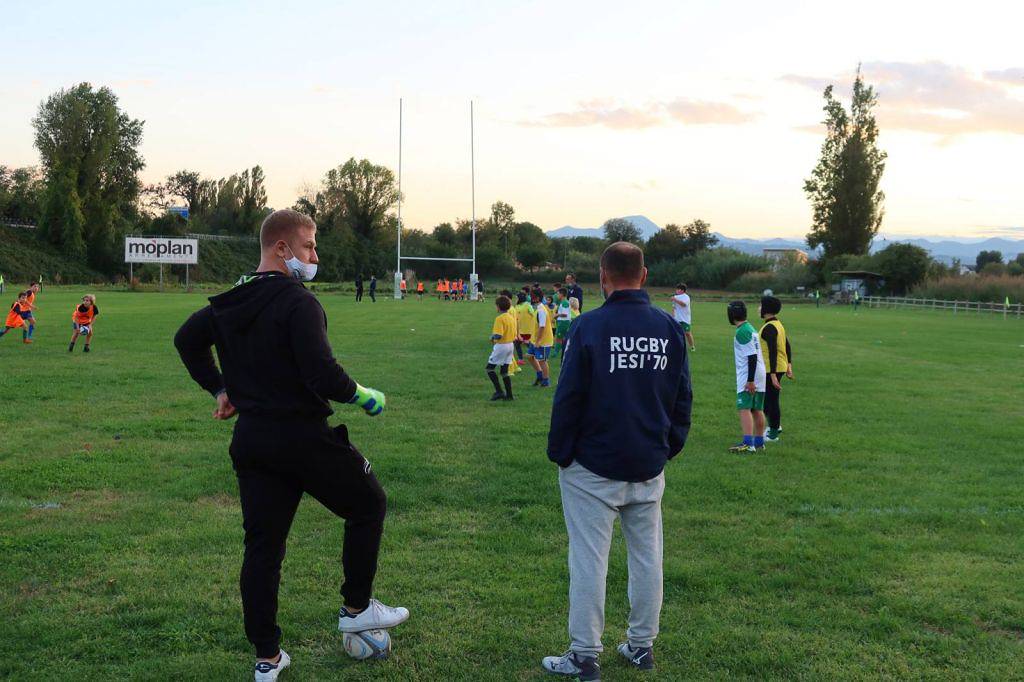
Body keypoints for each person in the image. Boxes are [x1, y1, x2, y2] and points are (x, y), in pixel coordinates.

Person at [173, 209, 409, 682]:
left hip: (253, 441)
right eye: (309, 246)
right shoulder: (299, 302)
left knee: (263, 548)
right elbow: (322, 374)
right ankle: (357, 608)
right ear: (281, 248)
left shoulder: (230, 300)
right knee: (369, 504)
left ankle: (267, 657)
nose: (315, 256)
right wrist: (365, 396)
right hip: (302, 437)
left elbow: (186, 340)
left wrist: (220, 389)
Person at [543, 241, 691, 679]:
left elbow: (569, 397)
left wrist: (560, 454)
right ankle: (642, 645)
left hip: (593, 465)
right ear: (643, 276)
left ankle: (585, 653)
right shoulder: (668, 328)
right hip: (647, 463)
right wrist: (666, 447)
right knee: (648, 557)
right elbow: (682, 399)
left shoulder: (588, 326)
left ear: (602, 277)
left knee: (589, 559)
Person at [727, 300, 766, 454]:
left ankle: (748, 444)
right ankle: (759, 442)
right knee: (757, 409)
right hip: (760, 372)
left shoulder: (742, 331)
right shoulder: (750, 328)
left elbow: (751, 356)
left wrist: (750, 380)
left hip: (750, 374)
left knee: (744, 408)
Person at [759, 296, 792, 442]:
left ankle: (773, 434)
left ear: (766, 309)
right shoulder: (777, 324)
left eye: (761, 306)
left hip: (772, 369)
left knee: (770, 401)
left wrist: (772, 374)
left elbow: (773, 351)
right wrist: (789, 364)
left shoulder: (770, 327)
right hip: (778, 367)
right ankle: (775, 426)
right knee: (770, 400)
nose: (759, 308)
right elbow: (787, 345)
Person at [485, 295, 517, 401]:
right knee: (504, 371)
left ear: (498, 306)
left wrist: (491, 337)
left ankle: (499, 392)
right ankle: (509, 395)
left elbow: (498, 335)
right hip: (510, 345)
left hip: (502, 346)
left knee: (489, 368)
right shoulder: (511, 317)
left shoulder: (499, 319)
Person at [531, 289, 554, 387]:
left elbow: (542, 326)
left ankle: (546, 381)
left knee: (542, 361)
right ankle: (540, 375)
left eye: (532, 296)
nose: (531, 298)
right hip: (535, 339)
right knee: (530, 356)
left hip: (543, 341)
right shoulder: (538, 308)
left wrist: (538, 341)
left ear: (536, 298)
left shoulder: (541, 310)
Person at [670, 283, 695, 352]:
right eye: (676, 289)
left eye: (678, 289)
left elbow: (683, 304)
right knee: (676, 333)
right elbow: (674, 308)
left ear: (682, 290)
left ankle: (692, 346)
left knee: (687, 333)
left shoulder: (686, 297)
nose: (676, 290)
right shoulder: (675, 297)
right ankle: (678, 347)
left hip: (685, 319)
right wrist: (672, 317)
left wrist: (675, 299)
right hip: (677, 318)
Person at [514, 291, 535, 367]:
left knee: (527, 343)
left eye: (517, 298)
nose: (516, 299)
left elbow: (533, 314)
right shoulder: (516, 306)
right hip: (519, 329)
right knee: (517, 344)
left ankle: (537, 355)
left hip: (527, 329)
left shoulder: (527, 305)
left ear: (520, 298)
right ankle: (521, 359)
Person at [553, 288, 572, 358]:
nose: (557, 295)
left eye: (558, 294)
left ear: (562, 294)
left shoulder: (565, 303)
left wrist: (557, 315)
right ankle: (561, 351)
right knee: (561, 338)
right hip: (562, 322)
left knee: (559, 338)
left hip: (563, 322)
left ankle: (555, 353)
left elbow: (565, 314)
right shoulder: (563, 302)